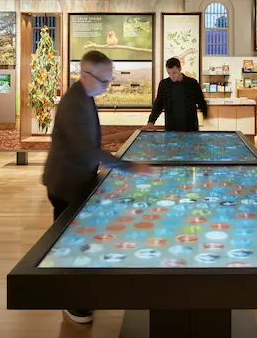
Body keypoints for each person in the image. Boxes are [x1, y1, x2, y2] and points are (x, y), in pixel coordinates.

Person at [42, 50, 154, 325]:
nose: (107, 86)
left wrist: (129, 133)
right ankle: (72, 300)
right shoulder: (74, 104)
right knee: (71, 244)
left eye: (109, 80)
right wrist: (131, 167)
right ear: (85, 74)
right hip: (66, 184)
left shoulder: (85, 98)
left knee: (81, 241)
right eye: (104, 81)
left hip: (78, 180)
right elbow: (87, 149)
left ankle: (82, 292)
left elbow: (93, 142)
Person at [144, 57, 208, 132]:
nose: (172, 76)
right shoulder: (164, 84)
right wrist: (151, 121)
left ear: (180, 69)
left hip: (190, 127)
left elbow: (201, 101)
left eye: (174, 73)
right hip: (171, 127)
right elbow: (158, 104)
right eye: (169, 73)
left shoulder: (192, 83)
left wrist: (206, 114)